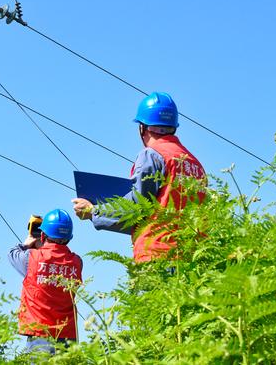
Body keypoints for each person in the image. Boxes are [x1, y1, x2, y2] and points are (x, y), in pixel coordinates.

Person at [72, 92, 206, 262]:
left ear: (142, 127)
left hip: (158, 254)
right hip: (194, 255)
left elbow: (138, 206)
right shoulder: (195, 165)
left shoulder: (152, 155)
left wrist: (93, 211)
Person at [8, 209, 83, 354]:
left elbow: (12, 254)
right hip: (68, 337)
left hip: (39, 336)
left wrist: (27, 243)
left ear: (42, 235)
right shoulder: (77, 262)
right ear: (69, 237)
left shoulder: (31, 258)